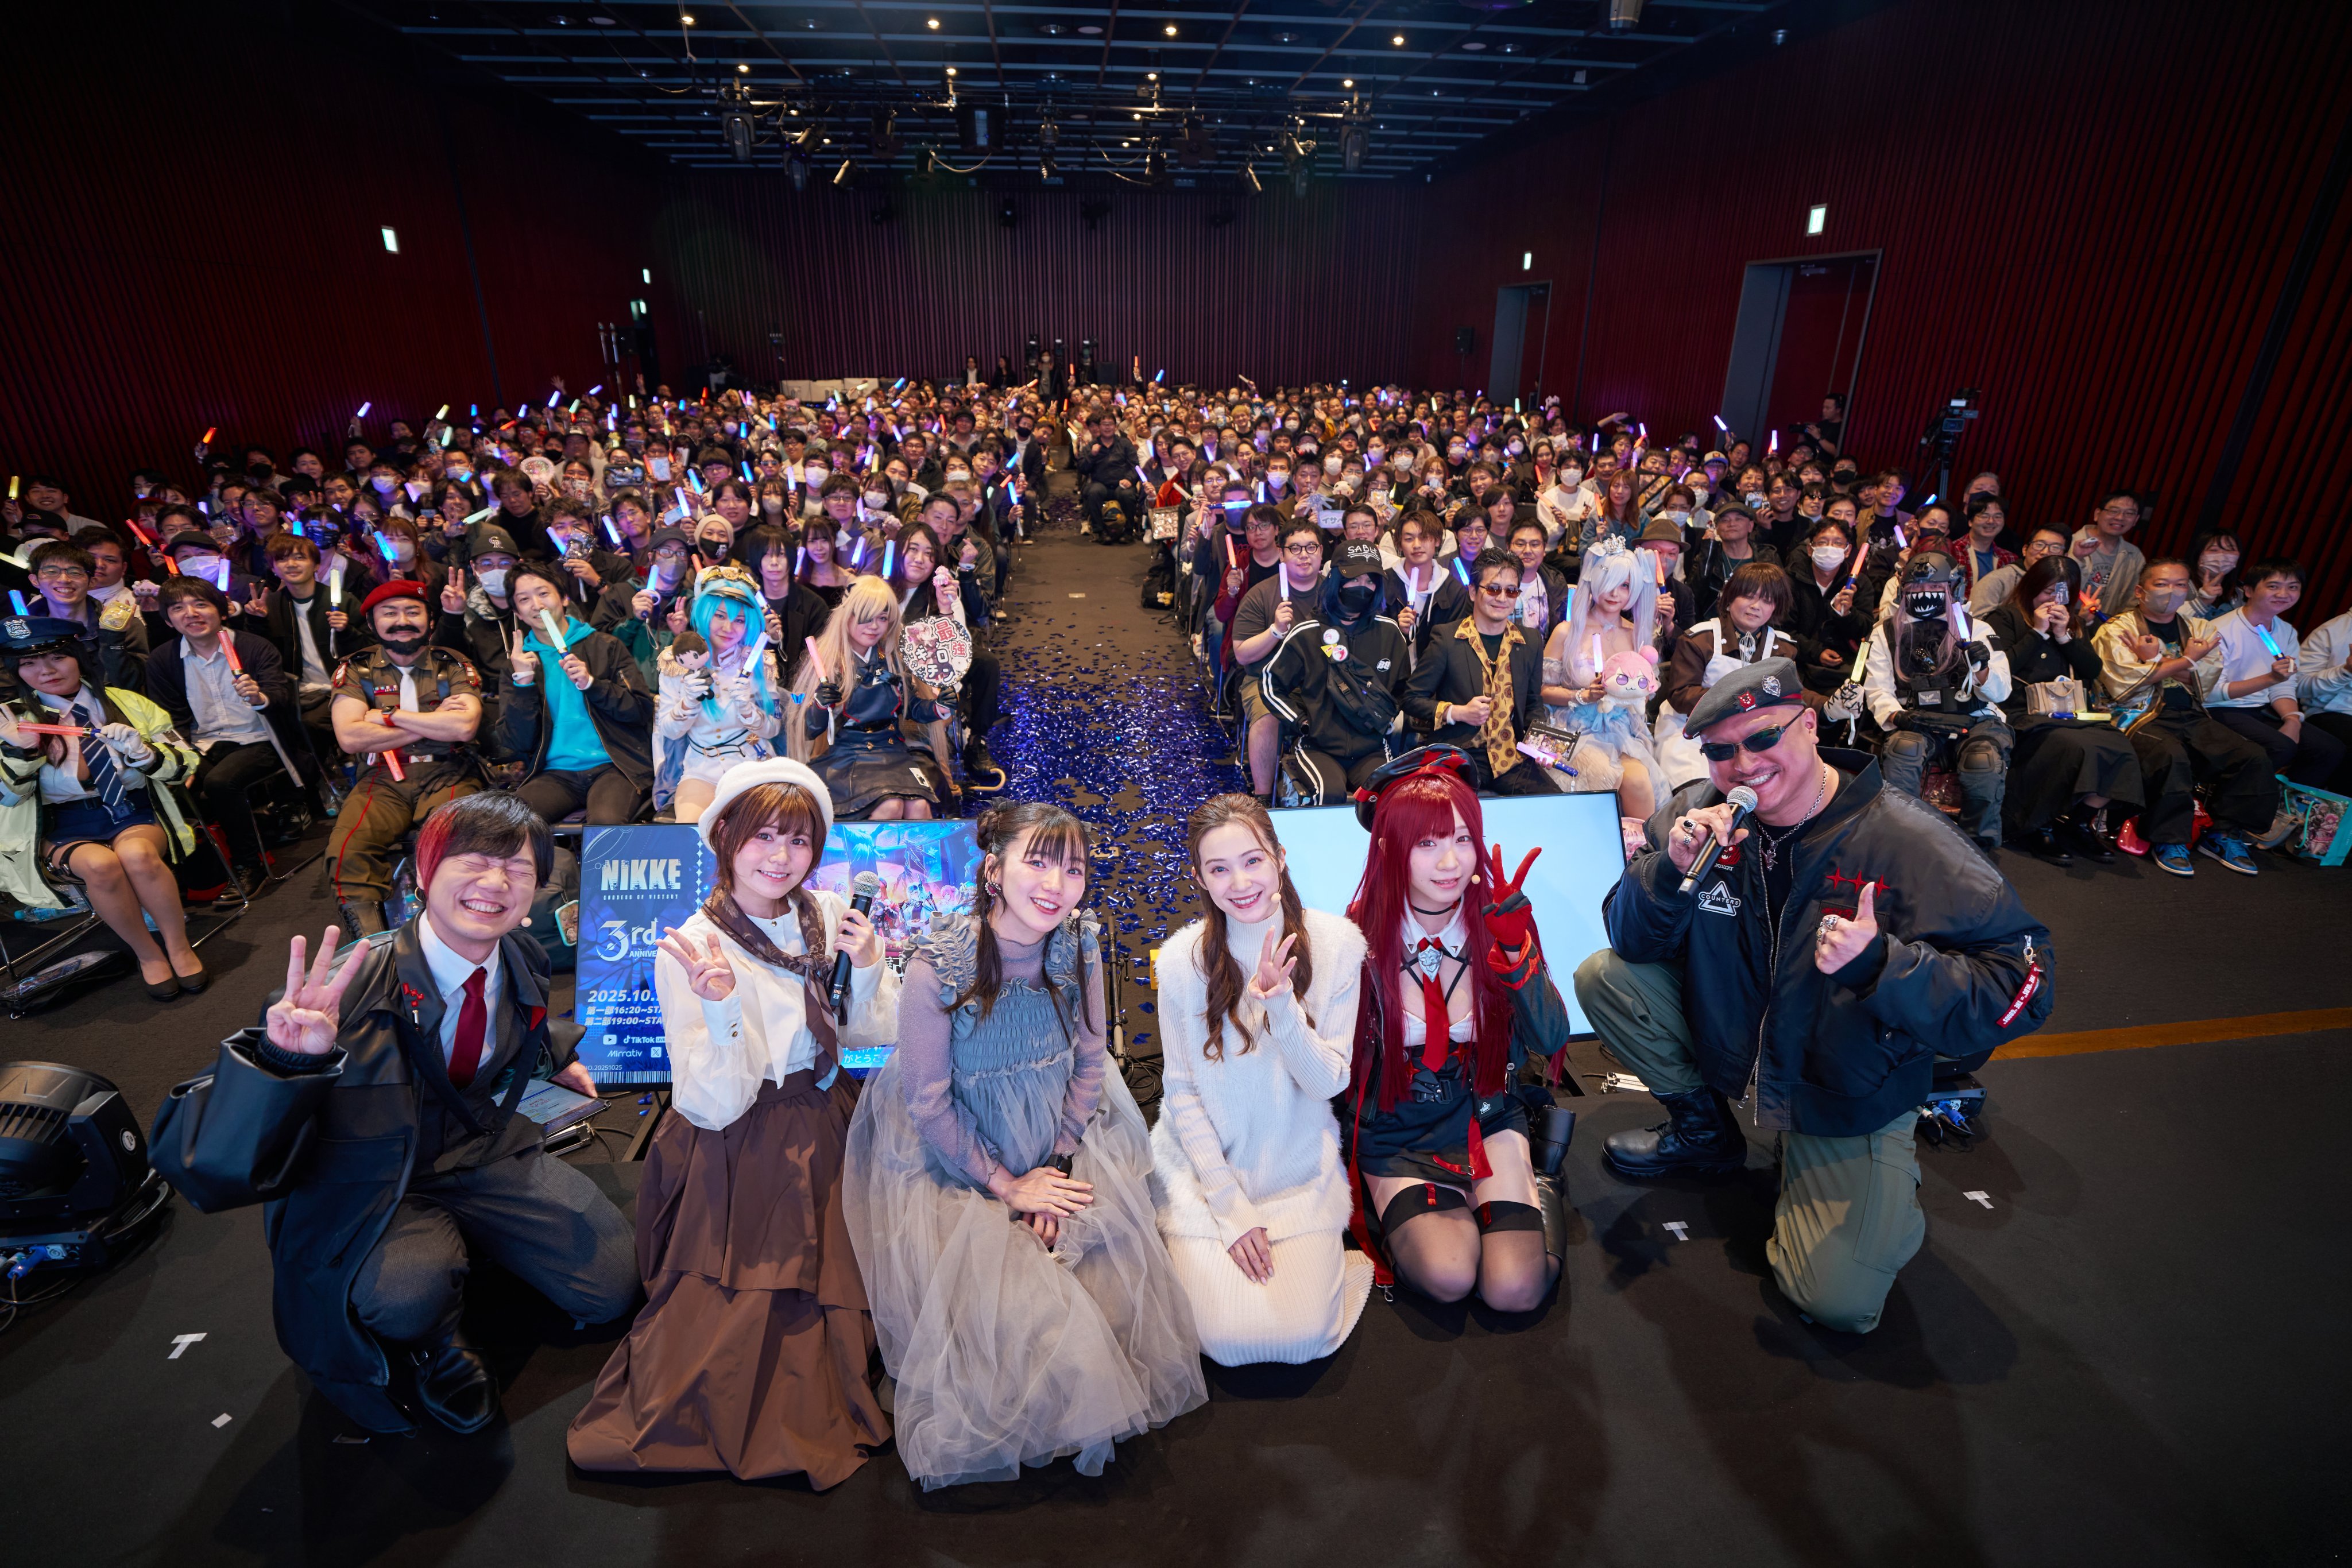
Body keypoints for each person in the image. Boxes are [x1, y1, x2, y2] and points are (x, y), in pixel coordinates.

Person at [1575, 658, 2053, 1334]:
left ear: (1807, 726)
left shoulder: (1907, 840)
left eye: (1762, 737)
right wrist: (1665, 874)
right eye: (1720, 750)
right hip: (1741, 1042)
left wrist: (1884, 966)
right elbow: (1628, 937)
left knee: (1837, 1301)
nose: (1742, 764)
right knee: (1605, 975)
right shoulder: (1693, 813)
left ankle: (1883, 1182)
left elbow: (2025, 983)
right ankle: (1705, 1133)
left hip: (1842, 1087)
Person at [150, 793, 636, 1435]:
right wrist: (283, 1063)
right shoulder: (342, 989)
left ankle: (469, 1245)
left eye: (518, 869)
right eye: (474, 861)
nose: (496, 883)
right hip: (377, 1177)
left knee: (611, 1288)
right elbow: (203, 1164)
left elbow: (511, 1023)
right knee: (406, 1295)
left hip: (480, 1148)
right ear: (425, 873)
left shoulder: (523, 954)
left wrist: (554, 1054)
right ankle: (438, 1339)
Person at [843, 800, 1205, 1489]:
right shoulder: (937, 964)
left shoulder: (1080, 945)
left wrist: (1057, 1164)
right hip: (961, 1161)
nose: (1055, 885)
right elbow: (929, 1103)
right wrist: (1009, 1186)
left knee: (1117, 1317)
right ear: (994, 869)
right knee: (1033, 1344)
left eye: (1072, 869)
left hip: (1059, 1141)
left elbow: (1092, 1059)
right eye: (1037, 863)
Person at [569, 759, 896, 1484]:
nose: (780, 857)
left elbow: (870, 1030)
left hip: (829, 1117)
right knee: (745, 1334)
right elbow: (712, 1103)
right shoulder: (694, 946)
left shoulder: (828, 913)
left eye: (798, 840)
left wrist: (872, 965)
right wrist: (720, 1008)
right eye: (762, 837)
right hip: (743, 1141)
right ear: (724, 838)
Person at [1340, 756, 1575, 1311]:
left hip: (1485, 1118)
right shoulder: (1355, 935)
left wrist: (1515, 952)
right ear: (1389, 847)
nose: (1450, 862)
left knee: (1515, 1289)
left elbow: (1550, 1038)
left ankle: (1540, 1182)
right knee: (1447, 1275)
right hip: (1397, 1132)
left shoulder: (1499, 918)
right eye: (1427, 843)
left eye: (1463, 839)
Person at [1151, 795, 1374, 1365]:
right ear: (1200, 878)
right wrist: (1229, 1207)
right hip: (1205, 1175)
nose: (1240, 882)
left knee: (1298, 1338)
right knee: (1220, 1342)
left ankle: (1330, 1262)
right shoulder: (1179, 962)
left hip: (1295, 1171)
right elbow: (1181, 1093)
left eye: (1252, 860)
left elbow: (1329, 1083)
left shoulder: (1336, 945)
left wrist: (1281, 1008)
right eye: (1219, 868)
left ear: (1280, 857)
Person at [0, 617, 208, 997]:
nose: (46, 671)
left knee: (137, 855)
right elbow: (8, 796)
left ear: (78, 657)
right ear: (17, 671)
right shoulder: (10, 720)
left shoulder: (128, 703)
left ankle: (179, 946)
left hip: (132, 811)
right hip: (62, 825)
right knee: (100, 865)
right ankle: (148, 954)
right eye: (29, 663)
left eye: (57, 657)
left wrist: (146, 755)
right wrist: (22, 752)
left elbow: (186, 764)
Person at [2091, 560, 2279, 877]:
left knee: (2251, 756)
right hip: (2136, 714)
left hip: (2189, 714)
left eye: (2180, 585)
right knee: (2171, 755)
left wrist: (2155, 661)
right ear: (2140, 591)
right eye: (2161, 584)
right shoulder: (2117, 629)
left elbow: (2207, 681)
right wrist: (2188, 660)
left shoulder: (2201, 629)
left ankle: (2223, 834)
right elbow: (2124, 681)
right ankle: (2169, 839)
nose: (2172, 592)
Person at [326, 580, 486, 935]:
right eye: (390, 613)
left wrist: (387, 716)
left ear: (431, 621)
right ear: (372, 624)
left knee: (453, 846)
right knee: (348, 851)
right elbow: (350, 737)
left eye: (413, 612)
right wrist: (434, 723)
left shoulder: (452, 663)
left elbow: (464, 727)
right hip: (382, 777)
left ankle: (452, 936)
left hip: (448, 772)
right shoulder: (356, 668)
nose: (402, 621)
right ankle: (372, 948)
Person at [144, 577, 307, 895]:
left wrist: (260, 697)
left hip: (260, 739)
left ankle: (250, 864)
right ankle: (201, 872)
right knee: (169, 781)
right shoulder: (163, 659)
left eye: (200, 604)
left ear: (222, 611)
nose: (191, 614)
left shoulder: (253, 646)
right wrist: (181, 758)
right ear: (168, 620)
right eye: (178, 609)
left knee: (221, 783)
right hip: (203, 744)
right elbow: (169, 721)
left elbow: (281, 696)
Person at [1983, 555, 2144, 864]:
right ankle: (2038, 825)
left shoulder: (2073, 624)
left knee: (2119, 747)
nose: (2054, 602)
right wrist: (2038, 632)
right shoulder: (2005, 617)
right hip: (2020, 711)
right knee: (2069, 747)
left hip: (2069, 712)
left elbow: (2092, 670)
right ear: (2031, 588)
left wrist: (2063, 636)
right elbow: (1999, 670)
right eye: (2047, 592)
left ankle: (2077, 823)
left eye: (2062, 595)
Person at [1859, 549, 2013, 855]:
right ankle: (1901, 839)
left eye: (1933, 587)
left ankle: (1976, 847)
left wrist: (1982, 669)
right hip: (1917, 720)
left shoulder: (1978, 629)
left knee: (1983, 760)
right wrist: (1898, 717)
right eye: (1916, 587)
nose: (1924, 593)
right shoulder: (1886, 632)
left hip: (1975, 719)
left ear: (1952, 588)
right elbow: (1878, 690)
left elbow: (2002, 691)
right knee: (1904, 749)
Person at [498, 563, 655, 824]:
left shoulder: (606, 646)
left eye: (544, 594)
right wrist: (523, 684)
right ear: (518, 613)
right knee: (510, 824)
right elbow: (519, 743)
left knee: (605, 824)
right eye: (524, 600)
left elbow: (640, 711)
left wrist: (592, 684)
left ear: (564, 598)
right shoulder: (518, 664)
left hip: (614, 767)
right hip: (554, 774)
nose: (537, 605)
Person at [1259, 540, 1411, 803]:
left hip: (1371, 748)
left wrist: (1385, 721)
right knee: (1329, 796)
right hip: (1319, 747)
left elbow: (1402, 690)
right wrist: (1301, 722)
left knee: (1387, 797)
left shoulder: (1390, 632)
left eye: (1371, 580)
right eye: (1355, 579)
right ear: (1337, 580)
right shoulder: (1307, 633)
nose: (1363, 586)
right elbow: (1270, 683)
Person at [789, 574, 949, 820]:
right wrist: (820, 704)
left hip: (893, 750)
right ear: (847, 617)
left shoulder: (894, 658)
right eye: (866, 617)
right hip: (850, 755)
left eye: (882, 618)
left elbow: (913, 707)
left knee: (920, 808)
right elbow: (809, 730)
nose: (874, 626)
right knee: (890, 807)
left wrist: (939, 707)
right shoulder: (829, 662)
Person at [1403, 548, 1562, 796]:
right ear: (1473, 591)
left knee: (1554, 801)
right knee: (1450, 807)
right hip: (1460, 755)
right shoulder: (1447, 638)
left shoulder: (1530, 641)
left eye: (1511, 591)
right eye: (1493, 589)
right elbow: (1412, 698)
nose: (1502, 598)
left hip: (1512, 756)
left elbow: (1533, 703)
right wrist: (1457, 712)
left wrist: (1539, 744)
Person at [1655, 562, 1812, 793]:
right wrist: (1740, 699)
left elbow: (1794, 694)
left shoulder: (1783, 647)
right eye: (1748, 596)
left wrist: (1830, 708)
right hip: (1692, 732)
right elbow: (1681, 695)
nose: (1756, 606)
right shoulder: (1700, 638)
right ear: (1729, 598)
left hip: (1752, 737)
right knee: (1700, 792)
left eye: (1767, 600)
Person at [1541, 537, 1664, 818]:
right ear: (1595, 580)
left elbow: (1647, 692)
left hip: (1623, 730)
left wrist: (1632, 692)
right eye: (1609, 582)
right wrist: (1582, 695)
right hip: (1574, 730)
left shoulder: (1636, 635)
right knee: (1606, 778)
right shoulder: (1567, 631)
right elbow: (1543, 690)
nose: (1615, 593)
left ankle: (1642, 845)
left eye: (1625, 586)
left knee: (1639, 782)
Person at [653, 569, 784, 824]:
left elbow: (773, 729)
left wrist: (747, 709)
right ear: (704, 613)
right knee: (691, 830)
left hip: (753, 767)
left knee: (757, 830)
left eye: (739, 620)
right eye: (720, 616)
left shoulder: (759, 662)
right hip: (701, 770)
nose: (728, 628)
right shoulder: (676, 662)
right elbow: (670, 732)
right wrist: (688, 702)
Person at [2205, 560, 2344, 794]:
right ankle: (2231, 803)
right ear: (2248, 590)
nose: (2283, 594)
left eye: (2293, 587)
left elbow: (2285, 685)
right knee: (2280, 747)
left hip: (2261, 708)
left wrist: (2292, 719)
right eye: (2273, 586)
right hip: (2220, 708)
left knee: (2329, 749)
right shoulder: (2218, 630)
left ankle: (2286, 803)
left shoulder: (2286, 631)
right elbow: (2210, 692)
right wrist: (2270, 679)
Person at [1228, 515, 1330, 800]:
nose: (1304, 555)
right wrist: (1275, 631)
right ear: (1282, 555)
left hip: (1322, 679)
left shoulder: (1333, 594)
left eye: (1311, 547)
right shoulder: (1261, 594)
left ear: (1321, 552)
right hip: (1266, 680)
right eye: (1295, 548)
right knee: (1268, 717)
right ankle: (1263, 799)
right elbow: (1242, 653)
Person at [2296, 605, 2352, 796]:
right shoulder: (2334, 631)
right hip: (2328, 712)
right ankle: (2334, 807)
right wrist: (2345, 672)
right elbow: (2299, 685)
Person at [2072, 490, 2148, 619]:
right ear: (2097, 514)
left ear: (2136, 520)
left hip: (2104, 624)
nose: (2120, 517)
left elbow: (2133, 600)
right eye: (2113, 511)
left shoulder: (2135, 556)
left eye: (2129, 513)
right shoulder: (2069, 543)